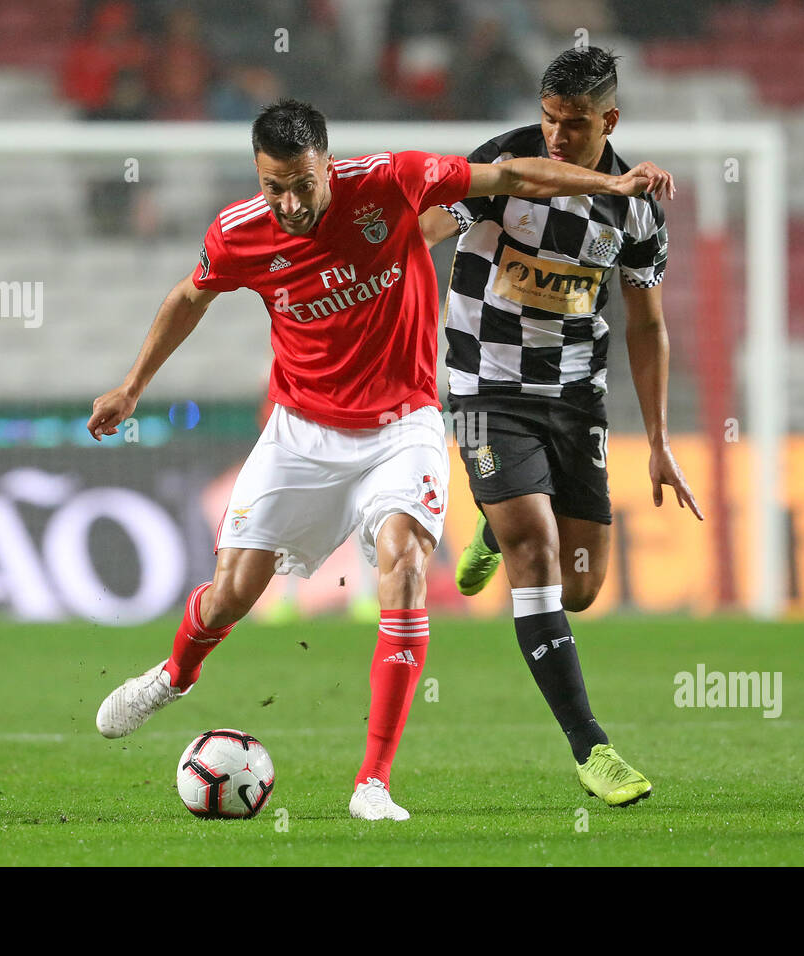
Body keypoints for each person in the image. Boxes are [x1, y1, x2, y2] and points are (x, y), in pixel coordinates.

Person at [87, 98, 672, 821]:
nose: (292, 202)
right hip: (301, 431)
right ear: (258, 176)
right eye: (275, 186)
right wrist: (132, 385)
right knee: (232, 592)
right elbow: (188, 296)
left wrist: (610, 187)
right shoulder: (238, 233)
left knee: (403, 564)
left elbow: (512, 174)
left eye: (304, 183)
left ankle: (373, 783)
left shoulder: (391, 181)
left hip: (404, 426)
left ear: (327, 165)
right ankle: (173, 676)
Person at [419, 47, 700, 807]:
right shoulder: (502, 163)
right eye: (547, 117)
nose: (555, 134)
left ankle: (496, 518)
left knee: (581, 588)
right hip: (486, 388)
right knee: (535, 550)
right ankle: (592, 748)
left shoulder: (637, 211)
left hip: (577, 399)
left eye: (573, 124)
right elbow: (425, 231)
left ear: (610, 119)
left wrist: (663, 439)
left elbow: (646, 326)